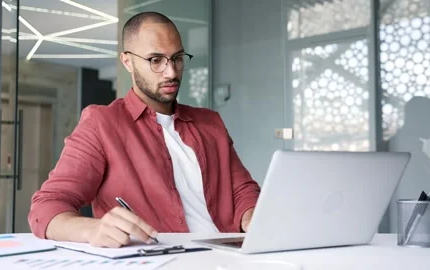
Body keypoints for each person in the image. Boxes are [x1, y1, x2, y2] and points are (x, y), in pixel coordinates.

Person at [28, 11, 260, 248]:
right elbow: (46, 207)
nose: (171, 72)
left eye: (177, 58)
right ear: (127, 61)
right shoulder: (101, 123)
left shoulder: (210, 123)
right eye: (155, 60)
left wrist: (252, 217)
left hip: (232, 255)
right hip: (162, 259)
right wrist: (93, 229)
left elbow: (242, 190)